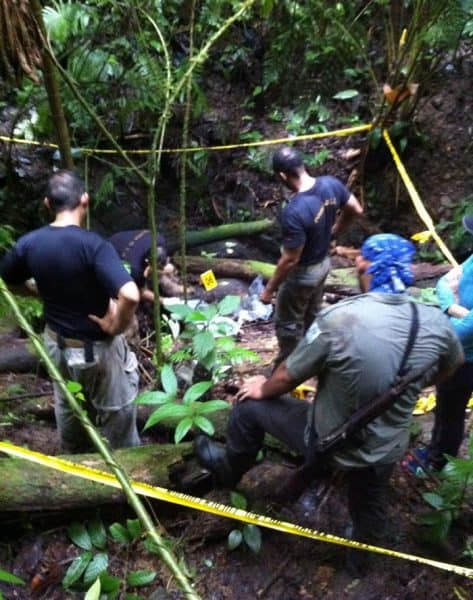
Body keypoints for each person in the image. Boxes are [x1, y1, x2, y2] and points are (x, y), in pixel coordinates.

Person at [195, 233, 463, 559]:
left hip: (327, 439)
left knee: (248, 407)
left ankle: (228, 468)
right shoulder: (436, 322)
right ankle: (360, 558)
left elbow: (288, 376)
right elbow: (452, 365)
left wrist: (260, 387)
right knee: (369, 506)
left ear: (365, 266)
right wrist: (412, 386)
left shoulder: (339, 319)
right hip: (385, 449)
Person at [0, 170, 141, 453]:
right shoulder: (93, 246)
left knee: (70, 407)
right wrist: (116, 325)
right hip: (96, 350)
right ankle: (128, 471)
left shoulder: (29, 243)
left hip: (56, 345)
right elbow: (130, 294)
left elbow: (9, 278)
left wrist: (36, 291)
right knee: (117, 412)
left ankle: (76, 465)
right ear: (85, 200)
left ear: (47, 204)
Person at [261, 146, 363, 367]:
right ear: (302, 165)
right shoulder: (331, 184)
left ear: (282, 175)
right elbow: (355, 209)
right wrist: (335, 230)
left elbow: (290, 259)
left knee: (288, 323)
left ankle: (288, 368)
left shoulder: (294, 211)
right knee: (312, 313)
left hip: (303, 273)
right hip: (324, 264)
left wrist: (269, 290)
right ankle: (316, 357)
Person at [405, 214, 473, 473]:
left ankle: (436, 462)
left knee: (451, 411)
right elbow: (446, 281)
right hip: (459, 347)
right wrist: (452, 306)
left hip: (466, 358)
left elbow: (464, 332)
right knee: (445, 407)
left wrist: (443, 328)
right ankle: (439, 453)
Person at [108, 229, 168, 303]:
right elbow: (138, 291)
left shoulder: (158, 239)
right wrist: (164, 301)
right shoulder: (135, 269)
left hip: (121, 239)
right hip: (109, 253)